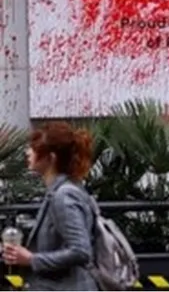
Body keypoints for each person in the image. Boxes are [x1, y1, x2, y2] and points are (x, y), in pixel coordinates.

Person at [3, 122, 98, 291]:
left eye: (34, 148)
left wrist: (31, 259)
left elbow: (81, 251)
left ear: (51, 158)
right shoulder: (62, 190)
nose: (28, 152)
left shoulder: (64, 195)